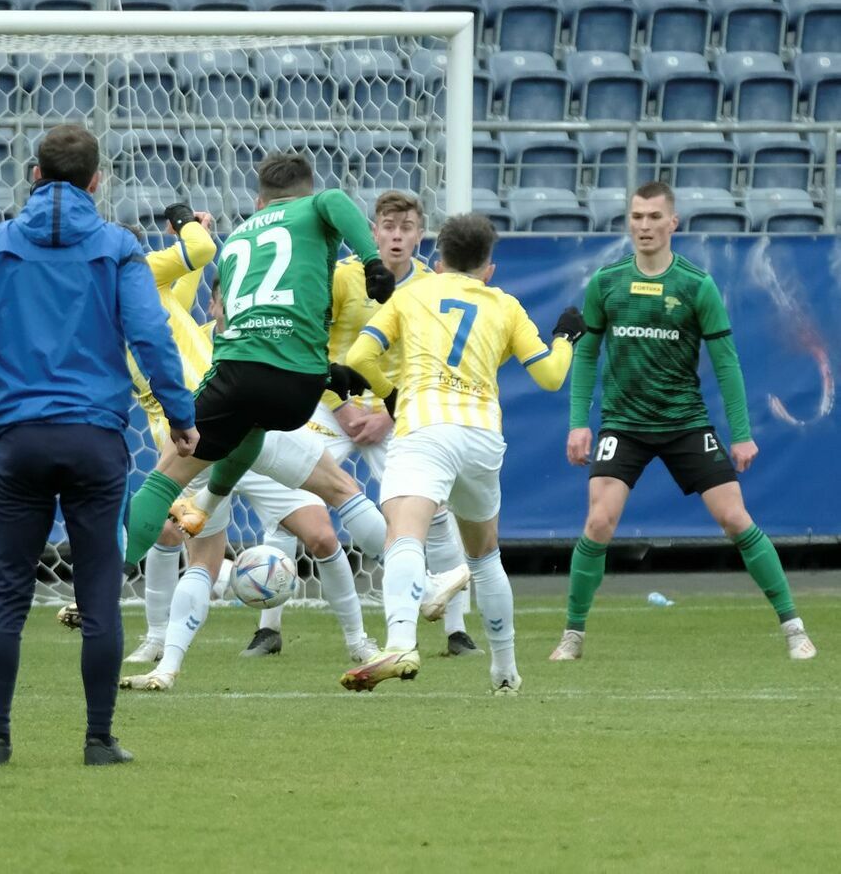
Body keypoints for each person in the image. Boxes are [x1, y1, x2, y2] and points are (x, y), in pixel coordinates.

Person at [0, 125, 197, 767]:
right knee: (97, 592)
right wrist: (180, 414)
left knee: (7, 590)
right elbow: (150, 336)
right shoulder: (118, 248)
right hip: (97, 441)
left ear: (34, 174)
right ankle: (99, 740)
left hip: (21, 442)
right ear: (97, 181)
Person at [550, 181, 817, 663]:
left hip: (685, 421)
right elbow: (586, 354)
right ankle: (572, 636)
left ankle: (795, 628)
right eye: (636, 216)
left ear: (673, 223)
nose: (645, 226)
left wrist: (741, 435)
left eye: (654, 217)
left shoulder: (697, 285)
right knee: (598, 522)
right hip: (624, 424)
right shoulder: (607, 283)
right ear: (628, 221)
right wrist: (578, 422)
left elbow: (727, 363)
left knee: (735, 519)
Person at [338, 214, 583, 695]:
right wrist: (565, 338)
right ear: (488, 267)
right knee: (485, 555)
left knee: (403, 536)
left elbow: (358, 359)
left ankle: (401, 641)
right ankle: (505, 671)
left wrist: (391, 394)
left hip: (425, 427)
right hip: (481, 435)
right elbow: (552, 377)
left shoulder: (411, 293)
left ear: (438, 258)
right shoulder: (505, 305)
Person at [122, 153, 393, 568]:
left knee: (161, 485)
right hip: (299, 387)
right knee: (336, 487)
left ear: (260, 199)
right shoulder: (313, 207)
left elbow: (243, 325)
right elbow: (336, 201)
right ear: (306, 189)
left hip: (231, 381)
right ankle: (414, 577)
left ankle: (110, 584)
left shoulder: (238, 239)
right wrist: (372, 262)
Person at [117, 272, 382, 689]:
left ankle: (360, 642)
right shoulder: (204, 334)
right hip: (222, 441)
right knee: (192, 551)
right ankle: (160, 651)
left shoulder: (182, 331)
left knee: (322, 537)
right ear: (215, 306)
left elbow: (176, 277)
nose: (231, 306)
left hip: (217, 441)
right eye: (225, 300)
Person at [255, 190, 481, 659]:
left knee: (434, 512)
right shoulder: (341, 276)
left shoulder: (429, 287)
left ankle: (457, 630)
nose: (397, 237)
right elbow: (311, 341)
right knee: (290, 499)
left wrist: (385, 414)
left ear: (421, 235)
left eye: (407, 228)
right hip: (330, 403)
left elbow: (433, 360)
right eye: (388, 227)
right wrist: (341, 405)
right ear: (373, 231)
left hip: (395, 410)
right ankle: (267, 626)